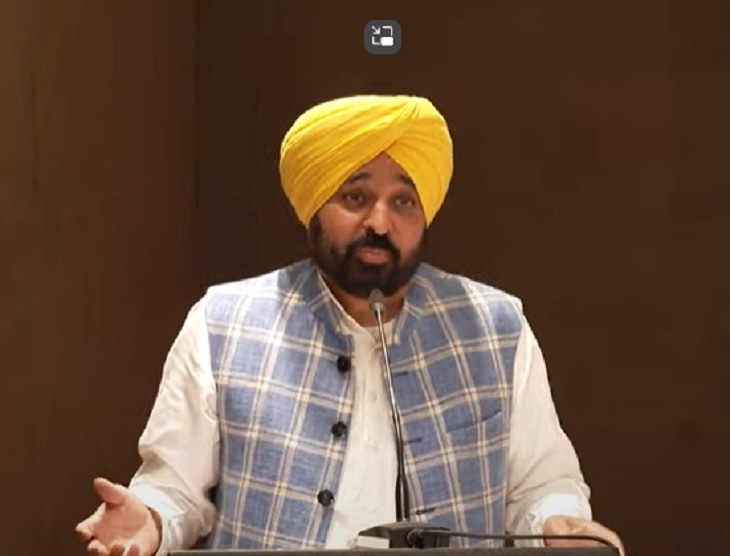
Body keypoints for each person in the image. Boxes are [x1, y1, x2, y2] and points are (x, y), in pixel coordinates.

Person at [75, 94, 624, 556]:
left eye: (403, 200)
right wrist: (150, 521)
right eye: (355, 197)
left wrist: (558, 522)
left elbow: (540, 485)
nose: (380, 222)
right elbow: (176, 487)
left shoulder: (495, 328)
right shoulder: (222, 324)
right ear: (314, 205)